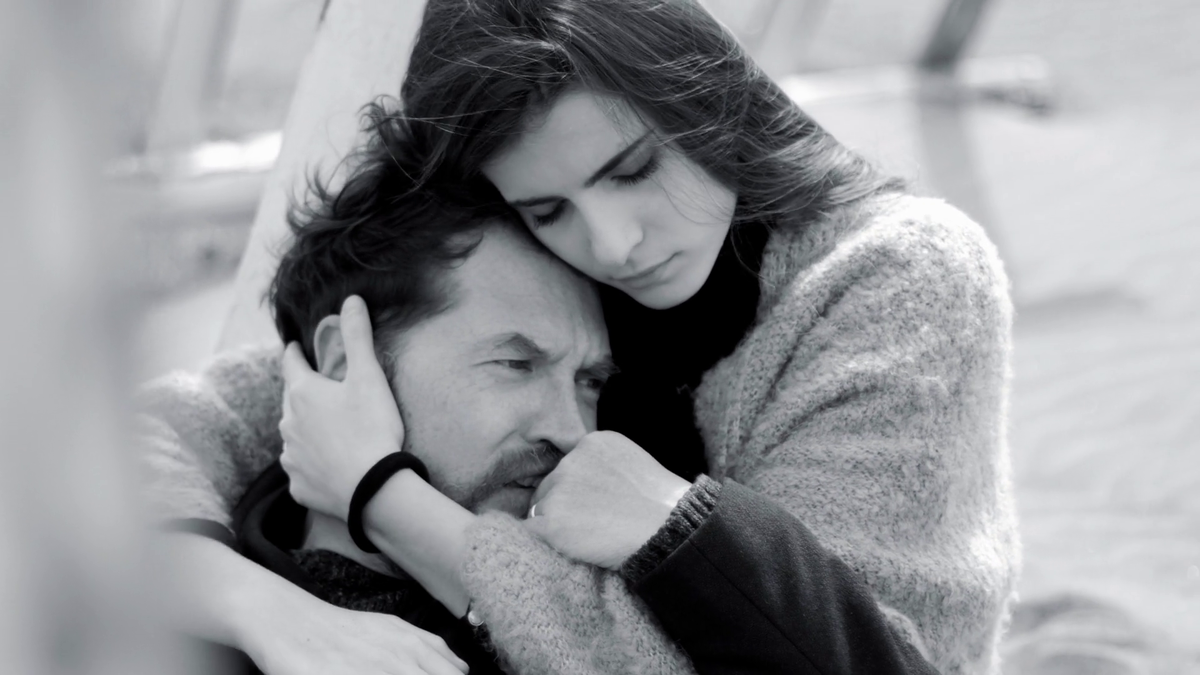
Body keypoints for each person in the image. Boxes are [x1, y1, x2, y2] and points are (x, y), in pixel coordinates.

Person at [147, 1, 1018, 674]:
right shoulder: (574, 275)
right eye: (547, 208)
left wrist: (385, 495)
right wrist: (260, 606)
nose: (614, 243)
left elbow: (808, 652)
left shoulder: (893, 276)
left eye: (634, 169)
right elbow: (183, 423)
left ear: (711, 94)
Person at [142, 123, 696, 675]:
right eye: (516, 364)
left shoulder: (628, 607)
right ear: (344, 362)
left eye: (589, 381)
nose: (574, 432)